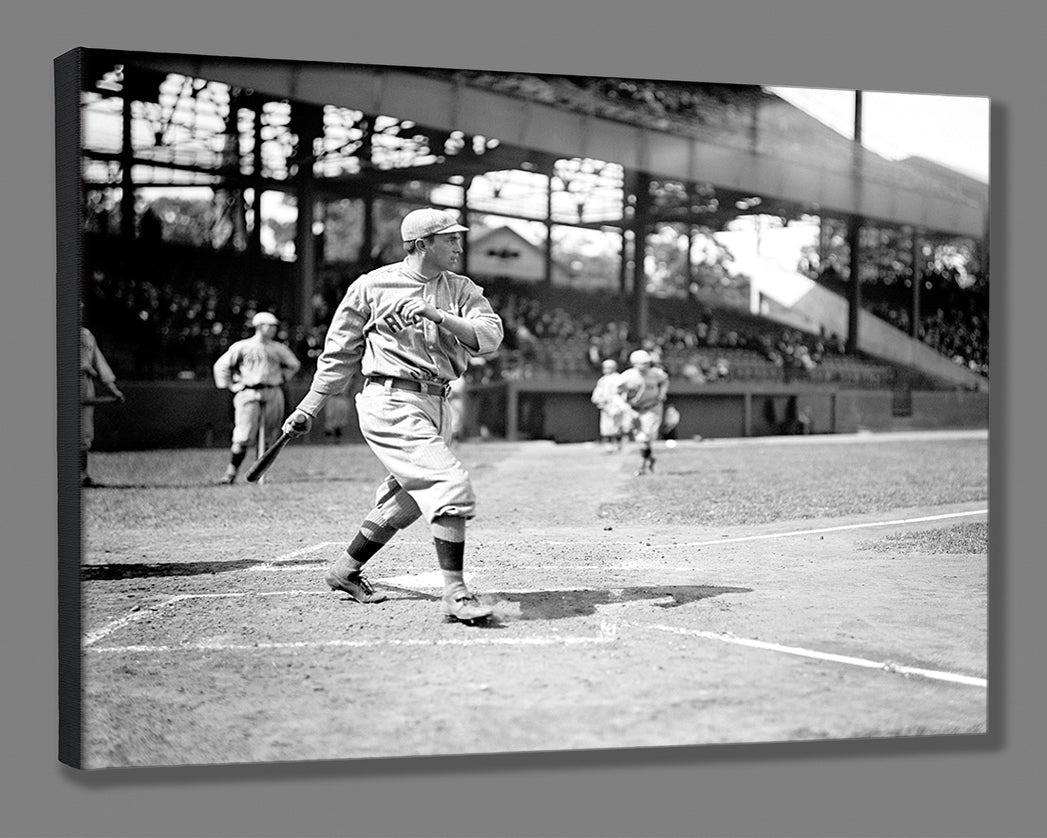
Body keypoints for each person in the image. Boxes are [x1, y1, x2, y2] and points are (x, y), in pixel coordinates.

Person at [281, 207, 504, 626]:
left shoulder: (460, 288)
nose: (458, 246)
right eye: (449, 239)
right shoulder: (372, 285)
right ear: (422, 244)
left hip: (438, 402)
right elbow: (339, 355)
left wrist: (438, 316)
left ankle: (344, 570)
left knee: (405, 501)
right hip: (390, 400)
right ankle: (455, 593)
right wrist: (309, 406)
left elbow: (490, 336)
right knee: (448, 484)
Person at [212, 312, 301, 484]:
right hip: (248, 392)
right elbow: (221, 366)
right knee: (243, 435)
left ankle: (259, 474)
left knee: (269, 436)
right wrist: (231, 385)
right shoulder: (242, 346)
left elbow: (294, 365)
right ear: (260, 326)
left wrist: (282, 377)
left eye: (275, 326)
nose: (274, 329)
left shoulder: (278, 348)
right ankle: (231, 473)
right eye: (271, 326)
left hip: (272, 390)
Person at [80, 305, 125, 487]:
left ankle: (81, 474)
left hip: (84, 384)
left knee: (83, 432)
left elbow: (100, 365)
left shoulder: (87, 336)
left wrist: (113, 390)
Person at [617, 348, 670, 476]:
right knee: (640, 438)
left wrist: (662, 393)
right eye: (642, 363)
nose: (645, 365)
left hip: (652, 408)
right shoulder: (627, 376)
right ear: (634, 363)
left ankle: (642, 466)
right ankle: (649, 459)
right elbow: (616, 393)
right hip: (634, 409)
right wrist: (625, 407)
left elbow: (665, 381)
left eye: (647, 362)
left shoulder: (656, 373)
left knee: (645, 436)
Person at [590, 358, 630, 453]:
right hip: (605, 406)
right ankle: (609, 447)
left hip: (617, 406)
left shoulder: (619, 378)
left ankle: (619, 446)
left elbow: (623, 393)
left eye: (608, 367)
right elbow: (596, 395)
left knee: (617, 427)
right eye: (605, 367)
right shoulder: (602, 380)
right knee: (606, 428)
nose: (606, 369)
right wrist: (600, 402)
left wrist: (620, 405)